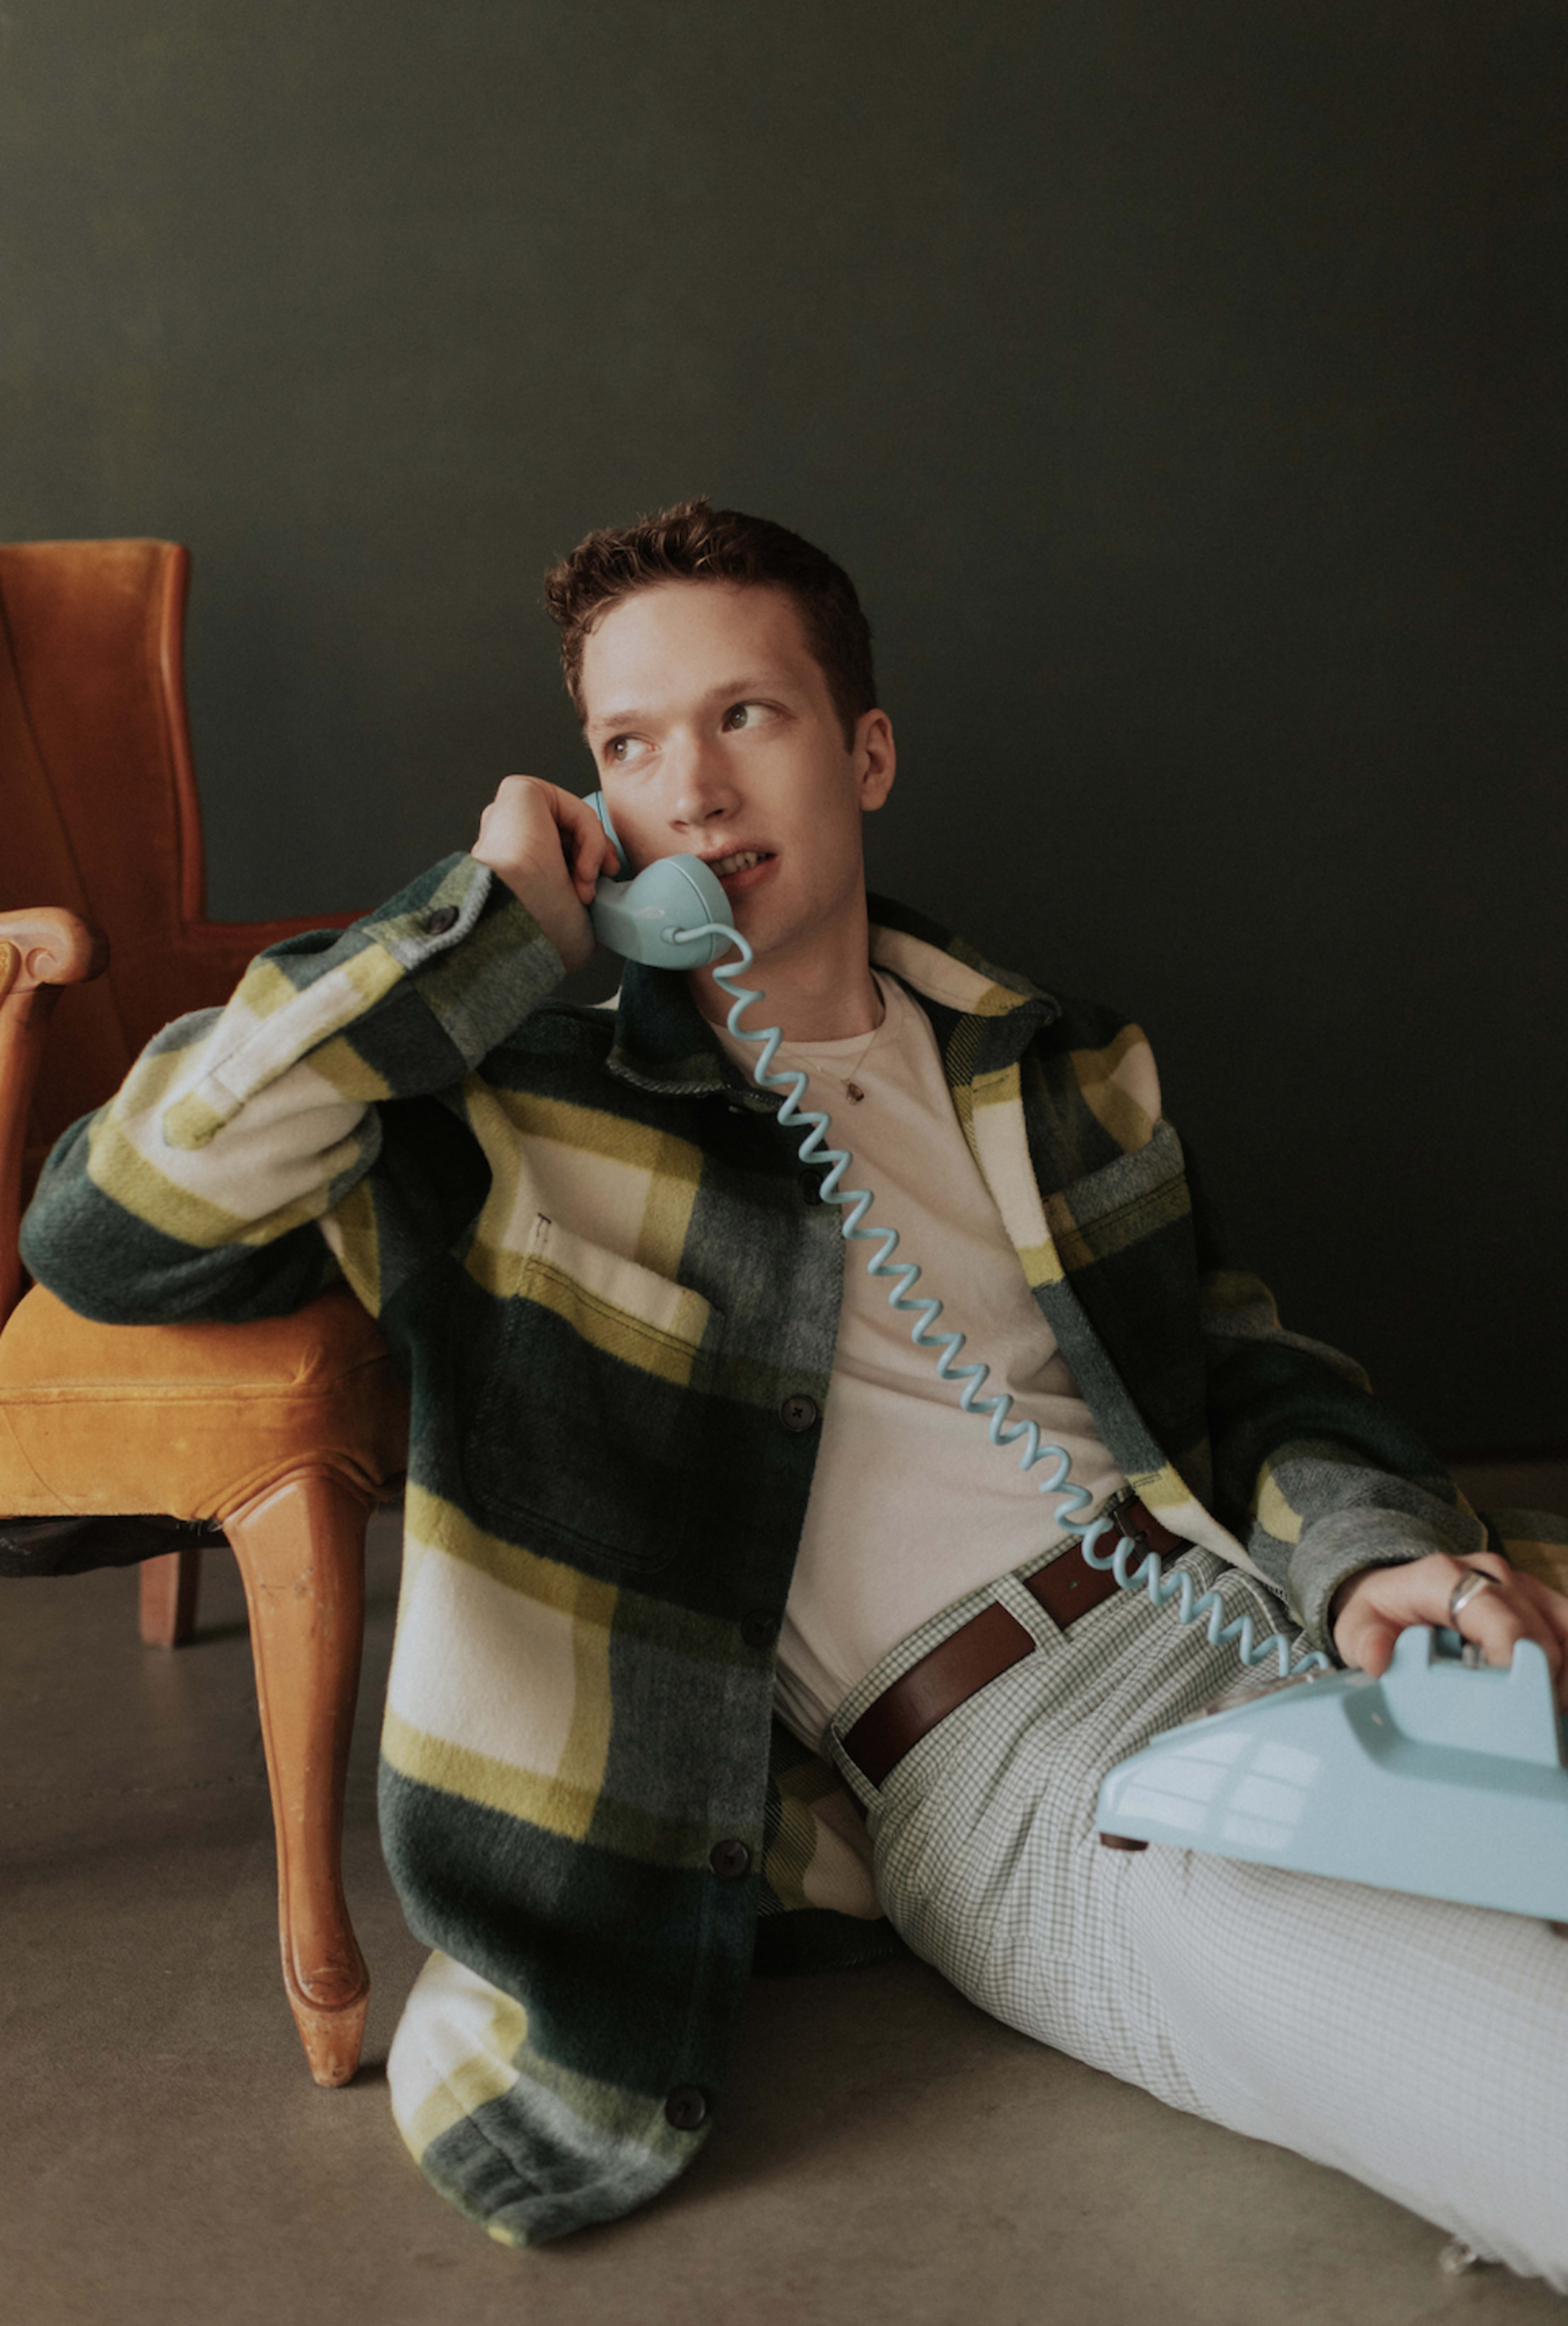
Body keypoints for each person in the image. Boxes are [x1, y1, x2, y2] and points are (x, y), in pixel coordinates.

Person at [21, 500, 1568, 2279]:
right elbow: (104, 1230)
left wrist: (1384, 1561)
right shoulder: (511, 1106)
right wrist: (482, 926)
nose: (690, 784)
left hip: (1289, 1620)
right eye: (628, 743)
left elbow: (1248, 1365)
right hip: (1030, 1767)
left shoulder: (1053, 1061)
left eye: (745, 715)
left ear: (868, 749)